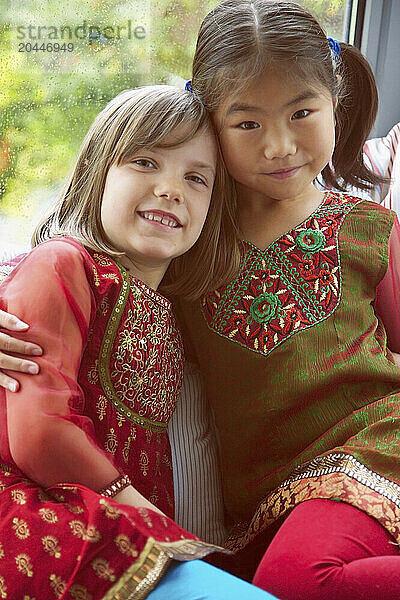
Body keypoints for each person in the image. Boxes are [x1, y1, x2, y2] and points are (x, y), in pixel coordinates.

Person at [1, 1, 399, 598]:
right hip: (260, 503)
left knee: (301, 580)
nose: (279, 146)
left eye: (302, 113)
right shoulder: (185, 240)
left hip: (369, 448)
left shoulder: (369, 229)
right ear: (211, 126)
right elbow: (67, 260)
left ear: (335, 103)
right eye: (247, 124)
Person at [0, 85, 276, 600]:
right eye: (146, 162)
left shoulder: (178, 317)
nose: (171, 189)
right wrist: (148, 517)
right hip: (47, 517)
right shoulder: (62, 264)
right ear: (96, 173)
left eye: (196, 179)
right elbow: (41, 435)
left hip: (117, 523)